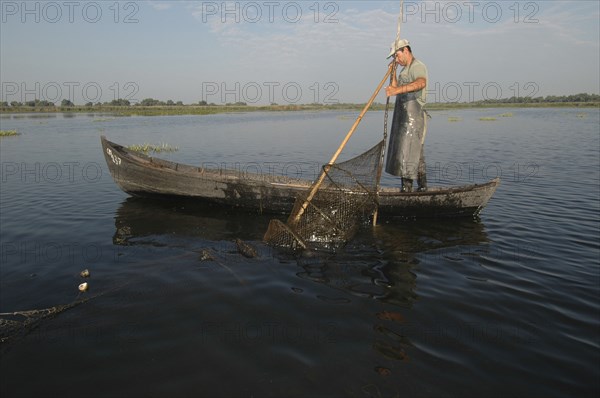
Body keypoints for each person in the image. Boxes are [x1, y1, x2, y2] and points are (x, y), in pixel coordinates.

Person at [384, 39, 428, 192]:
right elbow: (395, 87)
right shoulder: (403, 71)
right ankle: (407, 189)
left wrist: (396, 91)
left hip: (415, 119)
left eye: (397, 56)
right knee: (404, 152)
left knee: (415, 153)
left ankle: (422, 189)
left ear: (406, 51)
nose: (396, 59)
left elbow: (421, 83)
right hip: (403, 118)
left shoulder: (417, 66)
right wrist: (393, 72)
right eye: (394, 57)